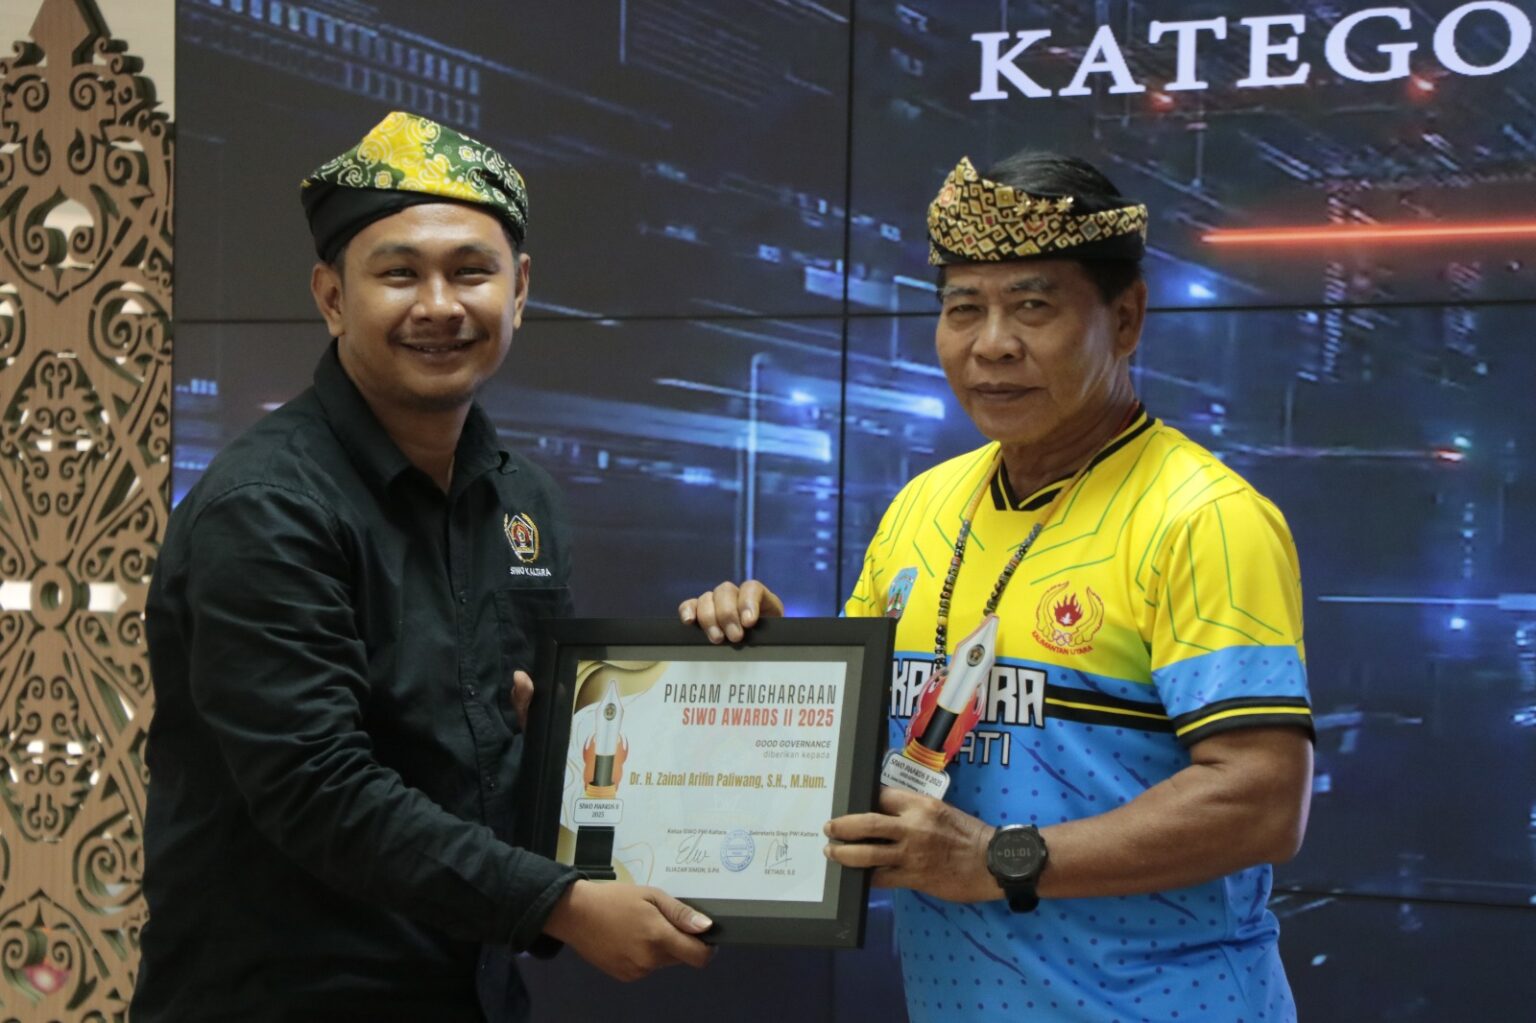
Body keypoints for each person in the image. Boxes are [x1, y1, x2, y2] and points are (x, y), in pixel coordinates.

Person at [682, 152, 1314, 1021]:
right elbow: (850, 740)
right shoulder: (924, 504)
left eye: (1033, 306)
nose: (992, 344)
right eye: (963, 308)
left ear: (1126, 319)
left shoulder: (1202, 517)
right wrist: (762, 664)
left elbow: (1263, 801)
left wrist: (998, 857)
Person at [135, 111, 712, 1023]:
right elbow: (317, 788)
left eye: (471, 271)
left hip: (469, 992)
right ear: (332, 297)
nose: (440, 305)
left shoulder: (522, 499)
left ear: (519, 291)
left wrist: (717, 676)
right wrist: (560, 903)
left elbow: (521, 743)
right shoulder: (267, 506)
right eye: (400, 273)